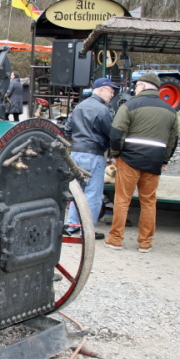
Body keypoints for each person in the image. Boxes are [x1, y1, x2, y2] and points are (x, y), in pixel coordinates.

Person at [104, 72, 179, 252]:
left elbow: (116, 133)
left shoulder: (129, 106)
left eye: (137, 86)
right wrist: (164, 159)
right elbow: (173, 139)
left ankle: (115, 239)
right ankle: (145, 243)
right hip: (154, 161)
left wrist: (116, 154)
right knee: (149, 202)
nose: (135, 89)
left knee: (122, 200)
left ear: (143, 86)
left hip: (129, 159)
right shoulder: (170, 111)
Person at [63, 77, 118, 240]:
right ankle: (87, 231)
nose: (112, 94)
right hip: (94, 154)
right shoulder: (104, 110)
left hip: (75, 154)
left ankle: (72, 225)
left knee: (76, 192)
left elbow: (67, 130)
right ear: (100, 90)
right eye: (110, 91)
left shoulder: (79, 107)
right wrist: (110, 148)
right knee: (93, 194)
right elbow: (112, 134)